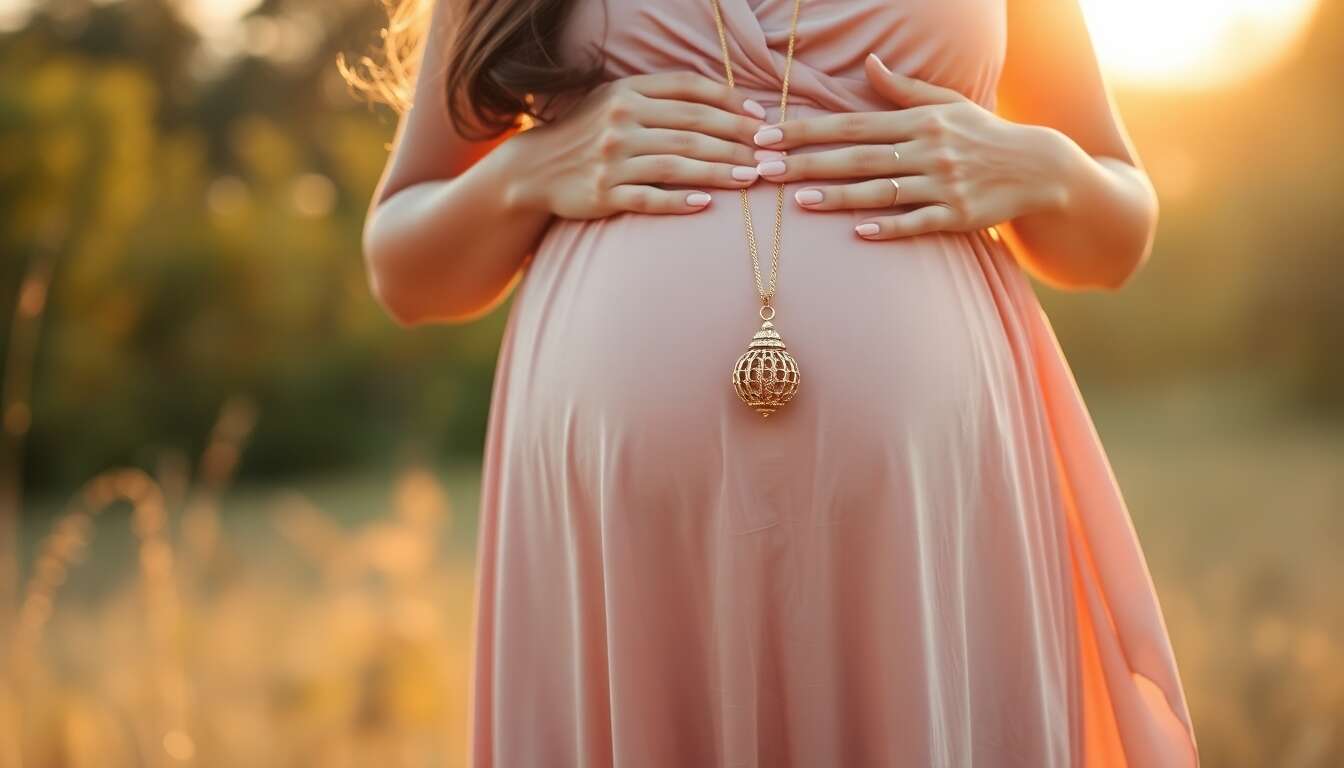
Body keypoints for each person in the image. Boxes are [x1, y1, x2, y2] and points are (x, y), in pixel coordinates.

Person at [348, 0, 1200, 764]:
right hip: (625, 544)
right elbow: (404, 269)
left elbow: (1115, 237)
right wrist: (526, 172)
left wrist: (1037, 167)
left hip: (924, 519)